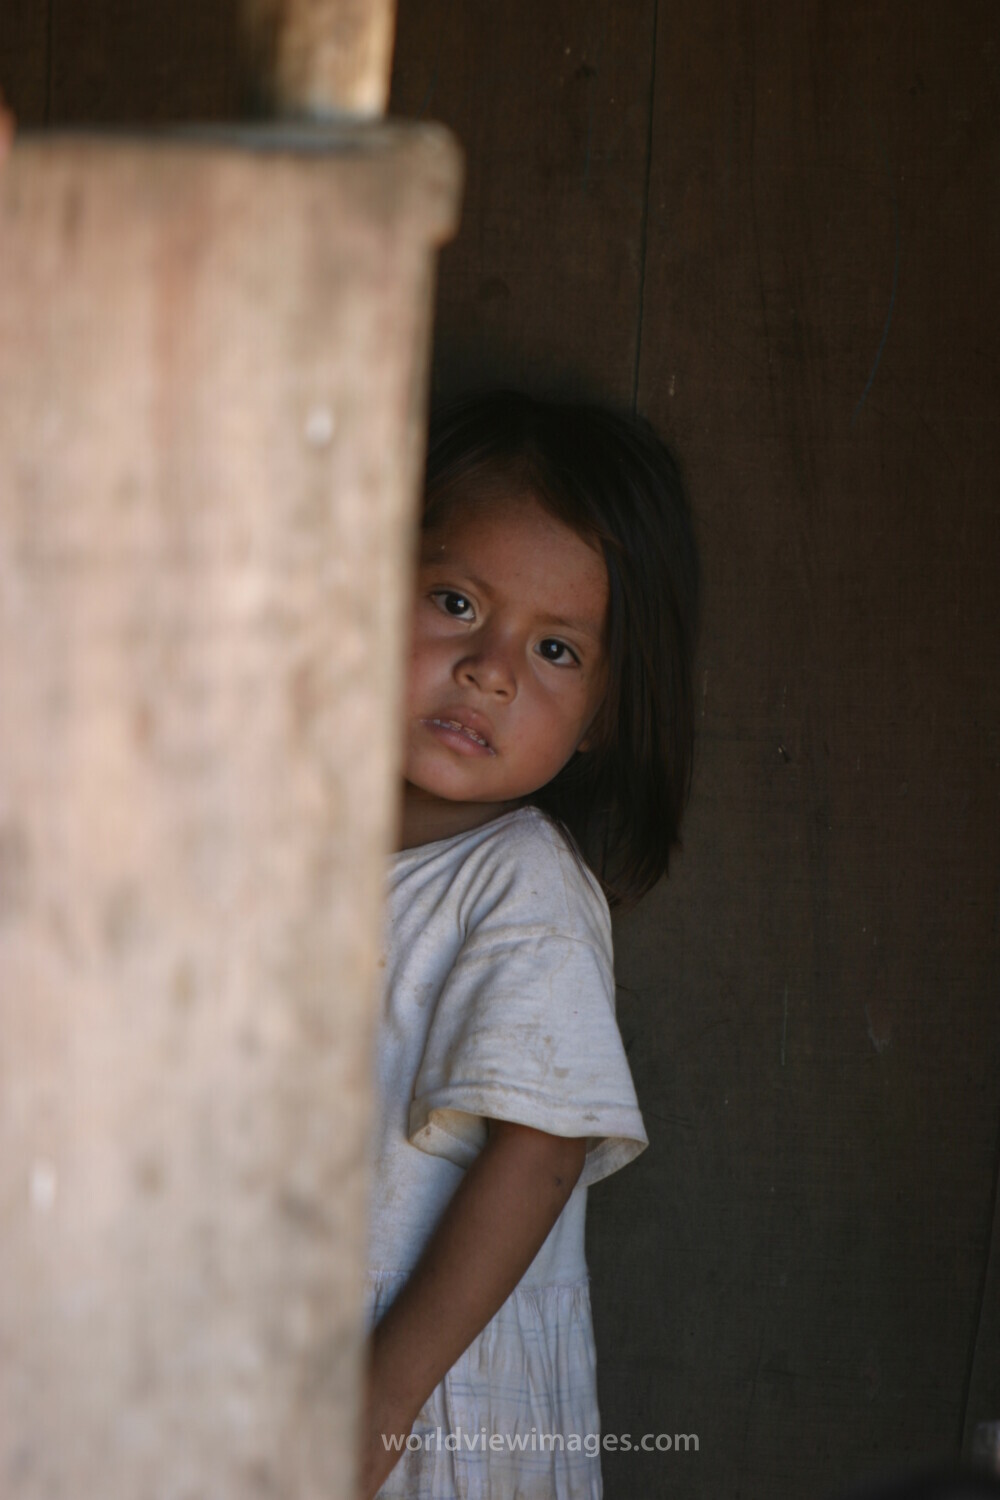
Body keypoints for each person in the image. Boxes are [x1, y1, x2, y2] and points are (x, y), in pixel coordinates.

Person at [357, 388, 700, 1499]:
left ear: (603, 711)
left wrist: (382, 1402)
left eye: (554, 648)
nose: (489, 668)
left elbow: (539, 1148)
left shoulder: (521, 882)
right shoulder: (286, 856)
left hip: (427, 1399)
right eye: (454, 600)